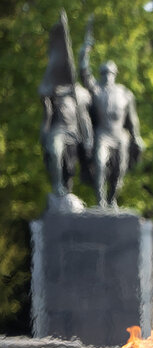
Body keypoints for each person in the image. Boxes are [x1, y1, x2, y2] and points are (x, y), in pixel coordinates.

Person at [79, 28, 144, 208]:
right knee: (99, 164)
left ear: (115, 75)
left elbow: (132, 119)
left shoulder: (125, 93)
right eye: (104, 74)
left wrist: (137, 136)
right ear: (101, 75)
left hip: (120, 136)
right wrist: (85, 51)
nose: (107, 77)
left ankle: (112, 199)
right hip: (102, 135)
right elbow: (84, 72)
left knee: (119, 171)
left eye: (110, 74)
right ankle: (100, 201)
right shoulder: (97, 90)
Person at [39, 12, 93, 208]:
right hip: (58, 130)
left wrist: (88, 140)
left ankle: (65, 190)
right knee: (55, 151)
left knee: (69, 169)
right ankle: (56, 187)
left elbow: (86, 119)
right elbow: (44, 97)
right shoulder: (57, 90)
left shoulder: (82, 94)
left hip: (74, 134)